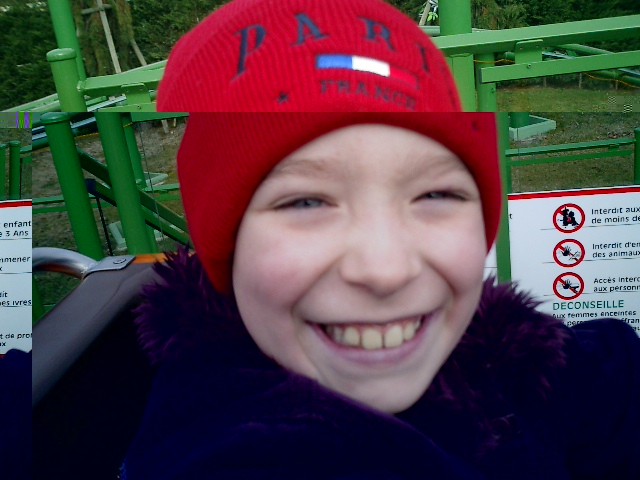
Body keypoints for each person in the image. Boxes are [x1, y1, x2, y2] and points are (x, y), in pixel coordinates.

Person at [120, 0, 640, 478]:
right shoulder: (247, 450)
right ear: (228, 247)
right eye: (306, 202)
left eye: (435, 194)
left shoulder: (521, 353)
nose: (386, 270)